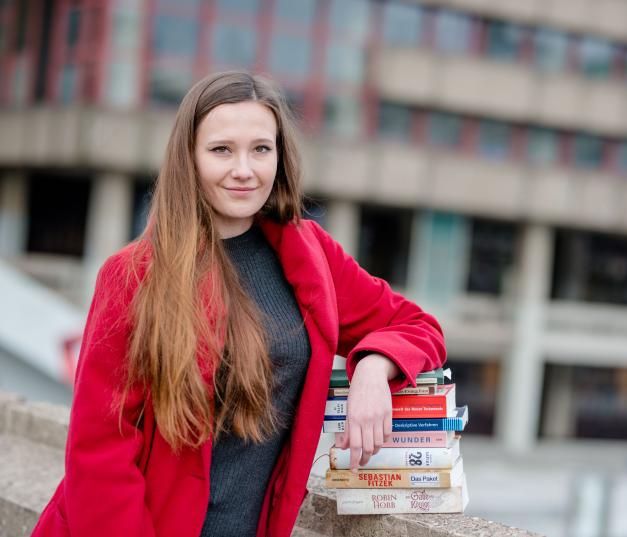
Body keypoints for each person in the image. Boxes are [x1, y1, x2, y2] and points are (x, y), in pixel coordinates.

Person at [31, 70, 447, 537]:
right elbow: (99, 451)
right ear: (189, 158)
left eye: (261, 149)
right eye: (222, 150)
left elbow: (417, 325)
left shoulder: (310, 254)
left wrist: (373, 365)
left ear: (279, 157)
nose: (244, 170)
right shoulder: (133, 276)